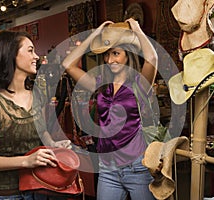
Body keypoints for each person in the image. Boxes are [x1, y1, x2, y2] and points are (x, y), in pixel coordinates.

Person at [62, 18, 158, 200]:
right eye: (107, 55)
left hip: (136, 166)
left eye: (116, 54)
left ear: (128, 55)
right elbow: (68, 64)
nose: (109, 60)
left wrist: (137, 29)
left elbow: (152, 58)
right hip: (108, 168)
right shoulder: (99, 85)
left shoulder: (139, 84)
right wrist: (94, 35)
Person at [0, 30, 71, 200]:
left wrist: (55, 145)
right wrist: (25, 161)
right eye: (30, 50)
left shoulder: (36, 96)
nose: (37, 57)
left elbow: (42, 133)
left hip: (40, 187)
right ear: (11, 55)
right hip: (5, 194)